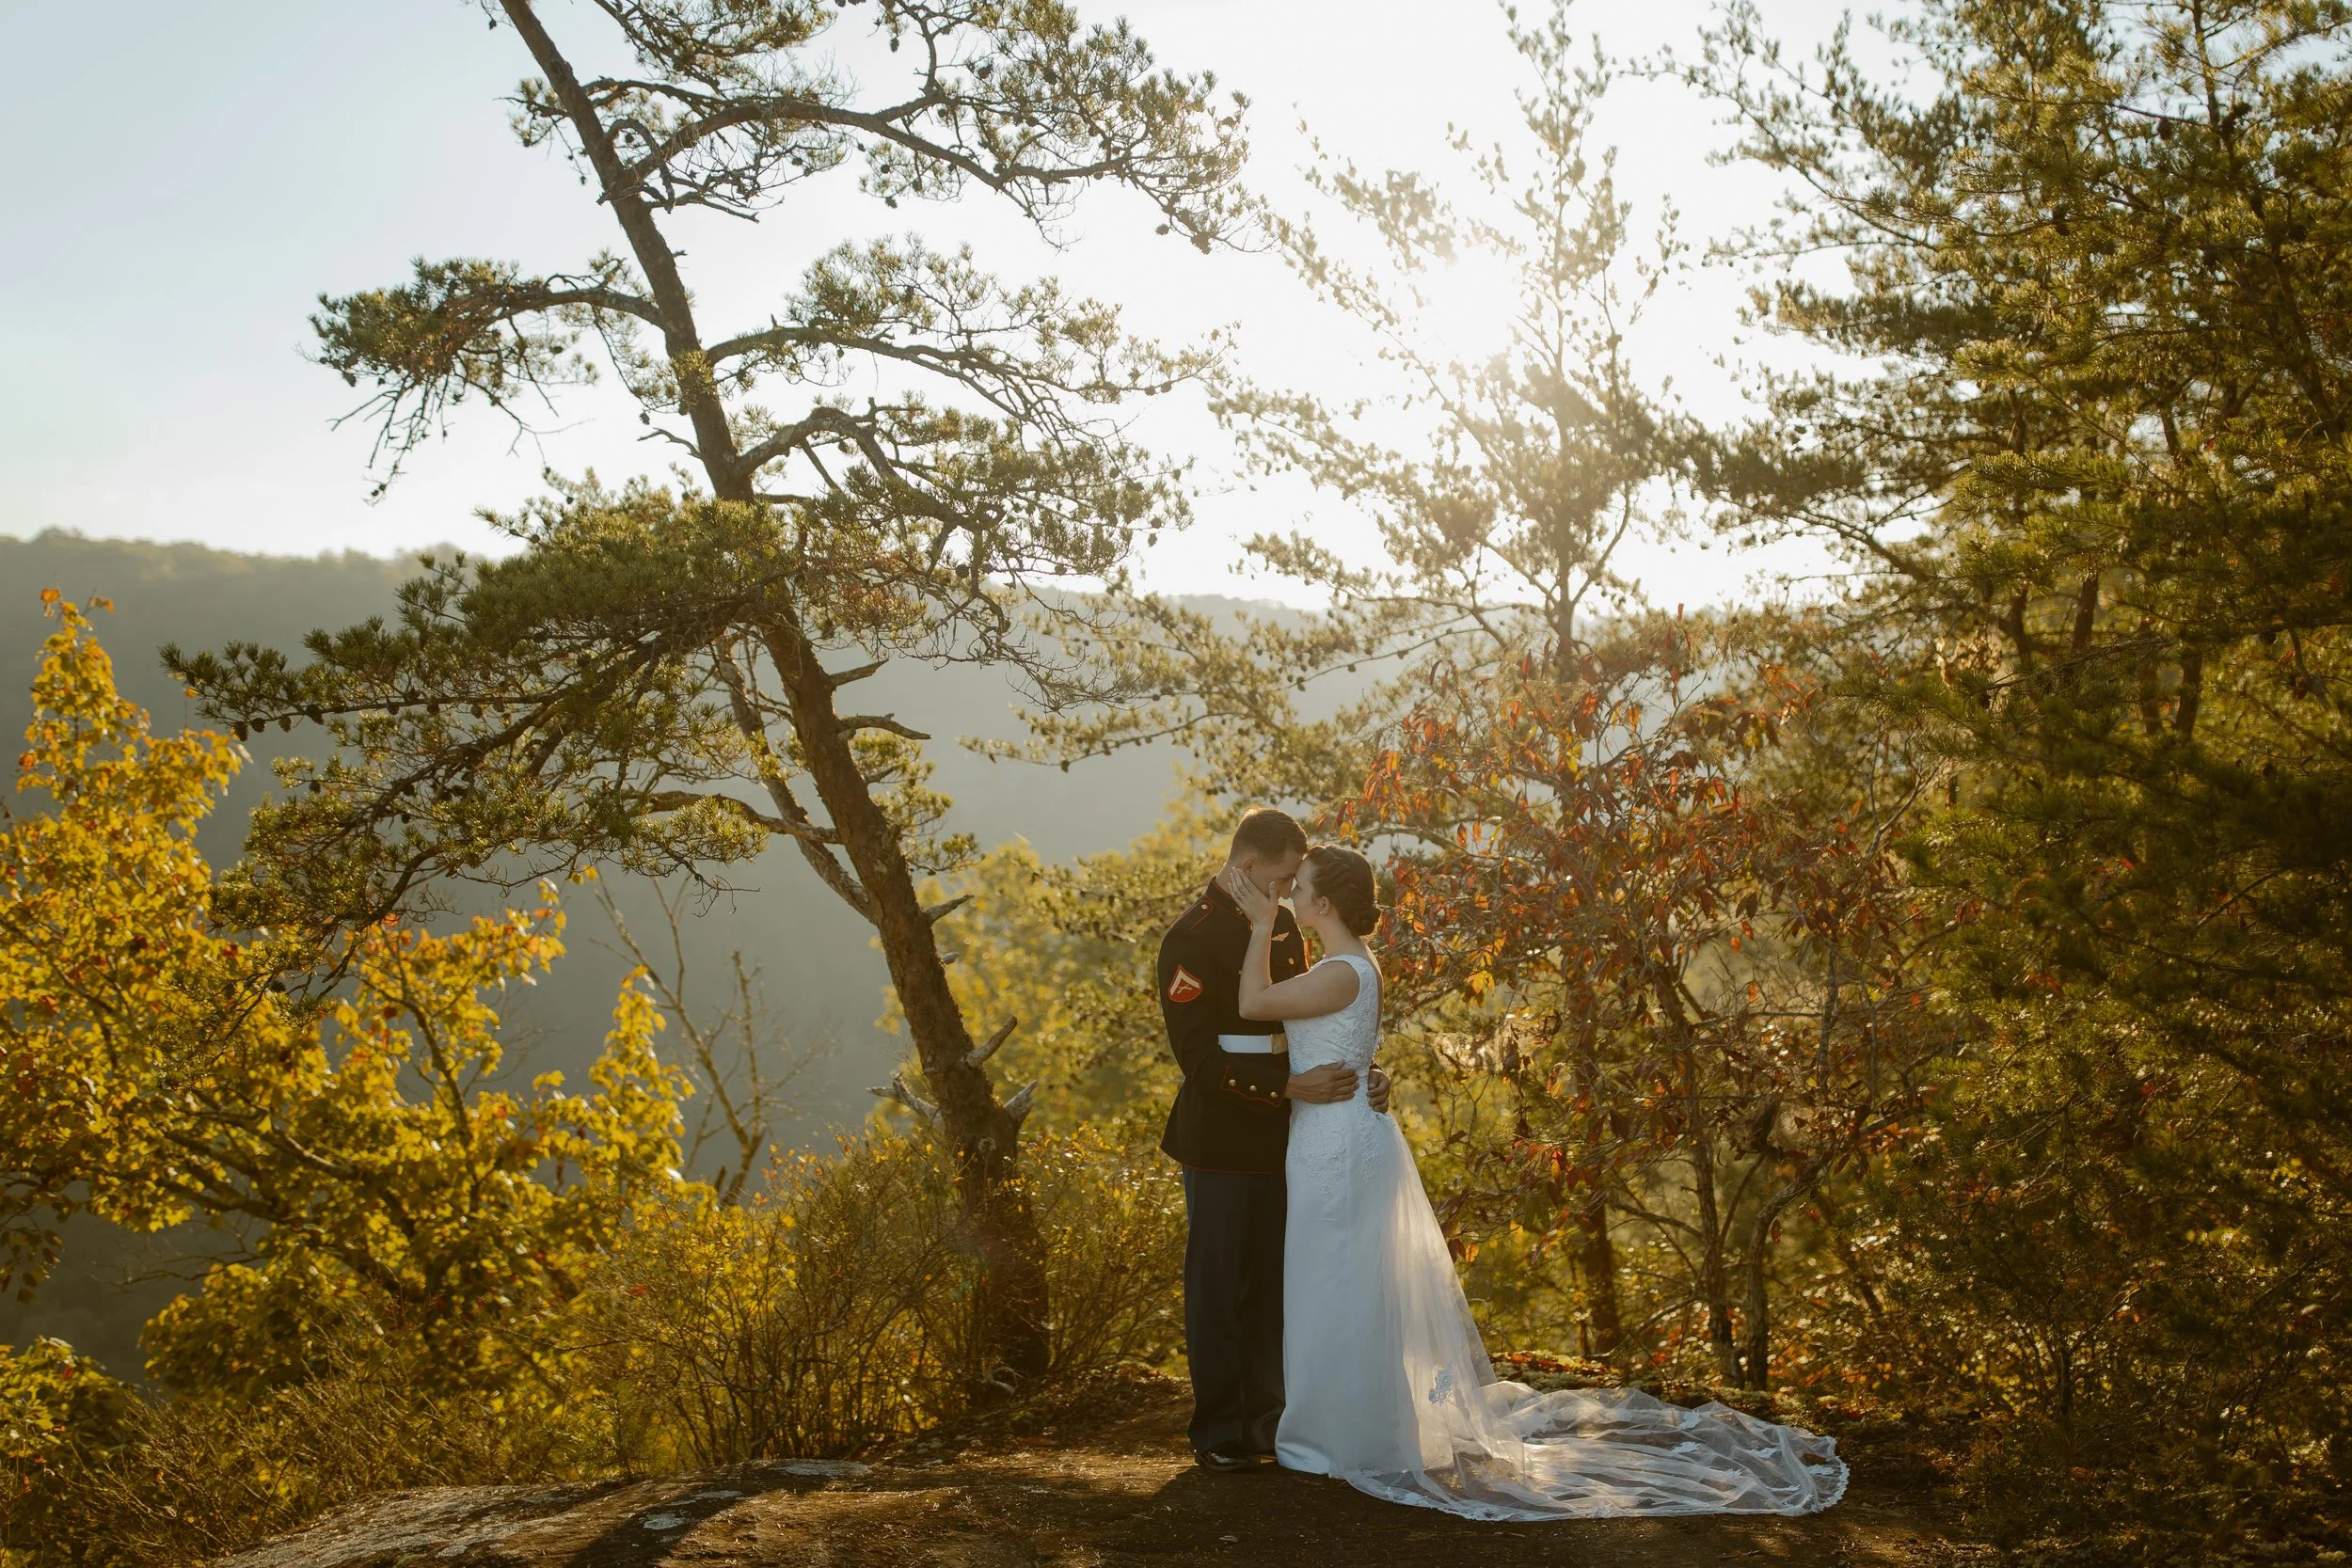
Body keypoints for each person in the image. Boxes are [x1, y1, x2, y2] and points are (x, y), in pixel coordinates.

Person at [1221, 844, 1850, 1521]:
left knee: (1336, 1283)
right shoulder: (1344, 968)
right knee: (1334, 1282)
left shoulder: (1343, 971)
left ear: (1324, 903)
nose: (1288, 898)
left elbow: (1253, 1001)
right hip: (1330, 1137)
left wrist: (1258, 926)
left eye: (1299, 888)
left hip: (1338, 1148)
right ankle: (1347, 1426)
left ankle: (1337, 1437)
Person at [1156, 808, 1390, 1474]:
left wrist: (1364, 1068)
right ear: (1249, 866)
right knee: (1218, 1284)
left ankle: (1269, 1418)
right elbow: (1199, 1060)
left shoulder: (1285, 926)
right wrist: (1287, 1091)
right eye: (1284, 876)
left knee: (1275, 1285)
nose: (1289, 890)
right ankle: (1218, 1429)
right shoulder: (1190, 938)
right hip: (1222, 1134)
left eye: (1295, 881)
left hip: (1293, 1135)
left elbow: (1318, 1019)